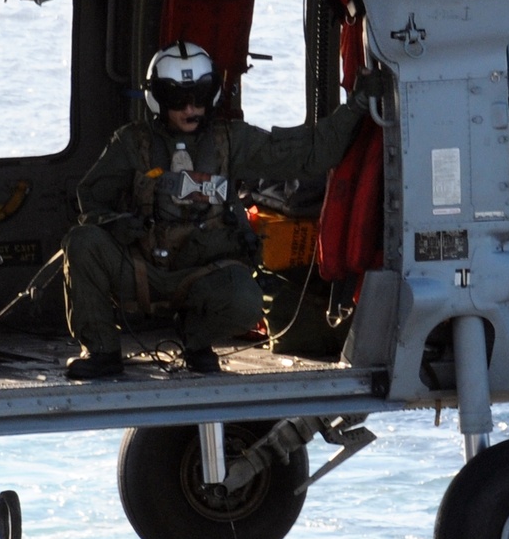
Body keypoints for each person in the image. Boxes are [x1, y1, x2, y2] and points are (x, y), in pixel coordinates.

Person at [63, 40, 383, 379]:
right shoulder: (130, 143)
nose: (191, 108)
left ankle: (198, 341)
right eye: (178, 99)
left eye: (200, 96)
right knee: (82, 242)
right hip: (143, 269)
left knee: (245, 300)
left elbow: (309, 154)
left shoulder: (231, 142)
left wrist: (357, 104)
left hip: (205, 274)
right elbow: (90, 199)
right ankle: (101, 351)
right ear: (158, 98)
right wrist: (114, 223)